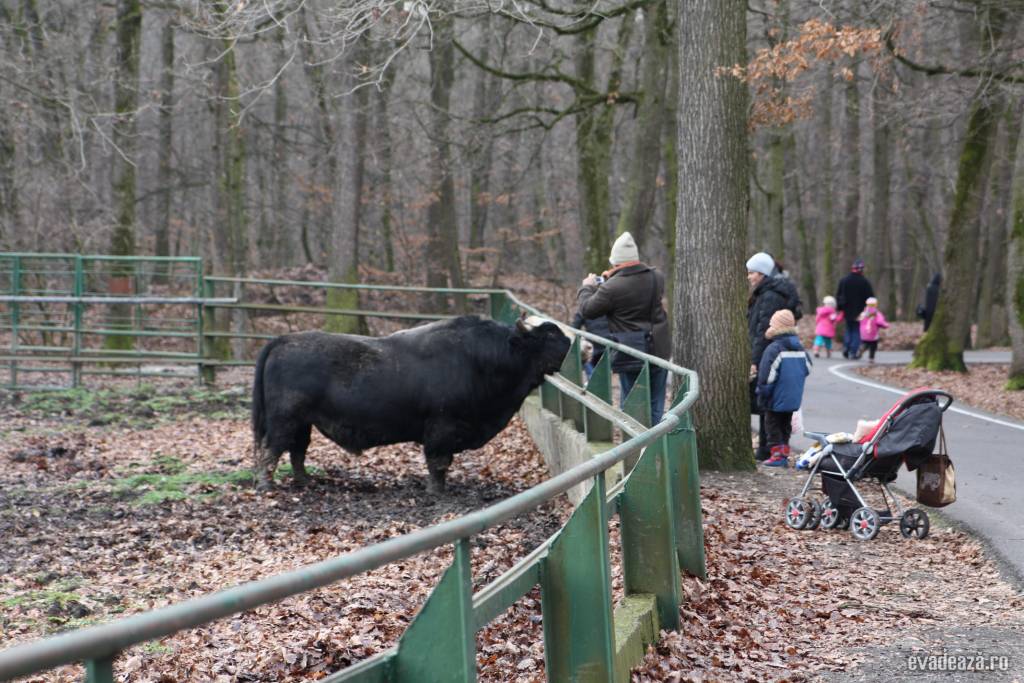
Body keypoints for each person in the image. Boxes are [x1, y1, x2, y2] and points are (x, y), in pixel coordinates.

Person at [577, 232, 671, 423]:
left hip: (631, 351)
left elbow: (588, 309)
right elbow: (634, 286)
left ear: (616, 264)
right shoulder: (656, 277)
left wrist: (587, 287)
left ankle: (636, 449)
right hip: (658, 348)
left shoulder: (612, 288)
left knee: (631, 406)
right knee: (656, 404)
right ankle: (655, 446)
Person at [746, 251, 803, 461]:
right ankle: (771, 449)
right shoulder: (771, 291)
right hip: (773, 356)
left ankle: (766, 450)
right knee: (769, 407)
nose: (749, 276)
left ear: (762, 274)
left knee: (766, 405)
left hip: (768, 357)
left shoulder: (769, 296)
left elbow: (763, 330)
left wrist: (754, 360)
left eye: (752, 272)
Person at [756, 309, 812, 467]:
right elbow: (808, 368)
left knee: (772, 424)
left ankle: (777, 455)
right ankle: (784, 452)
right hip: (793, 394)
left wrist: (763, 390)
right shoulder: (799, 347)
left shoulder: (774, 348)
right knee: (785, 424)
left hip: (775, 395)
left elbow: (767, 374)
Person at [836, 258, 875, 359]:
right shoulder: (865, 282)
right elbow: (870, 297)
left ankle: (846, 347)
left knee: (849, 329)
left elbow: (839, 295)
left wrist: (840, 308)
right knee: (856, 330)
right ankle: (853, 351)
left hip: (847, 309)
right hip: (860, 311)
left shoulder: (844, 280)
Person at [570, 310, 611, 378]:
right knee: (604, 372)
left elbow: (574, 329)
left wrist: (581, 338)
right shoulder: (609, 305)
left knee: (585, 358)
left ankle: (592, 380)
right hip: (609, 342)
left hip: (593, 345)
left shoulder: (585, 308)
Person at [858, 296, 889, 363]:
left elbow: (860, 320)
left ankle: (863, 348)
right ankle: (871, 358)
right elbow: (880, 322)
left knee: (865, 342)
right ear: (876, 304)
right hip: (873, 332)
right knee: (873, 345)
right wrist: (886, 325)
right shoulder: (877, 314)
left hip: (864, 332)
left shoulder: (863, 313)